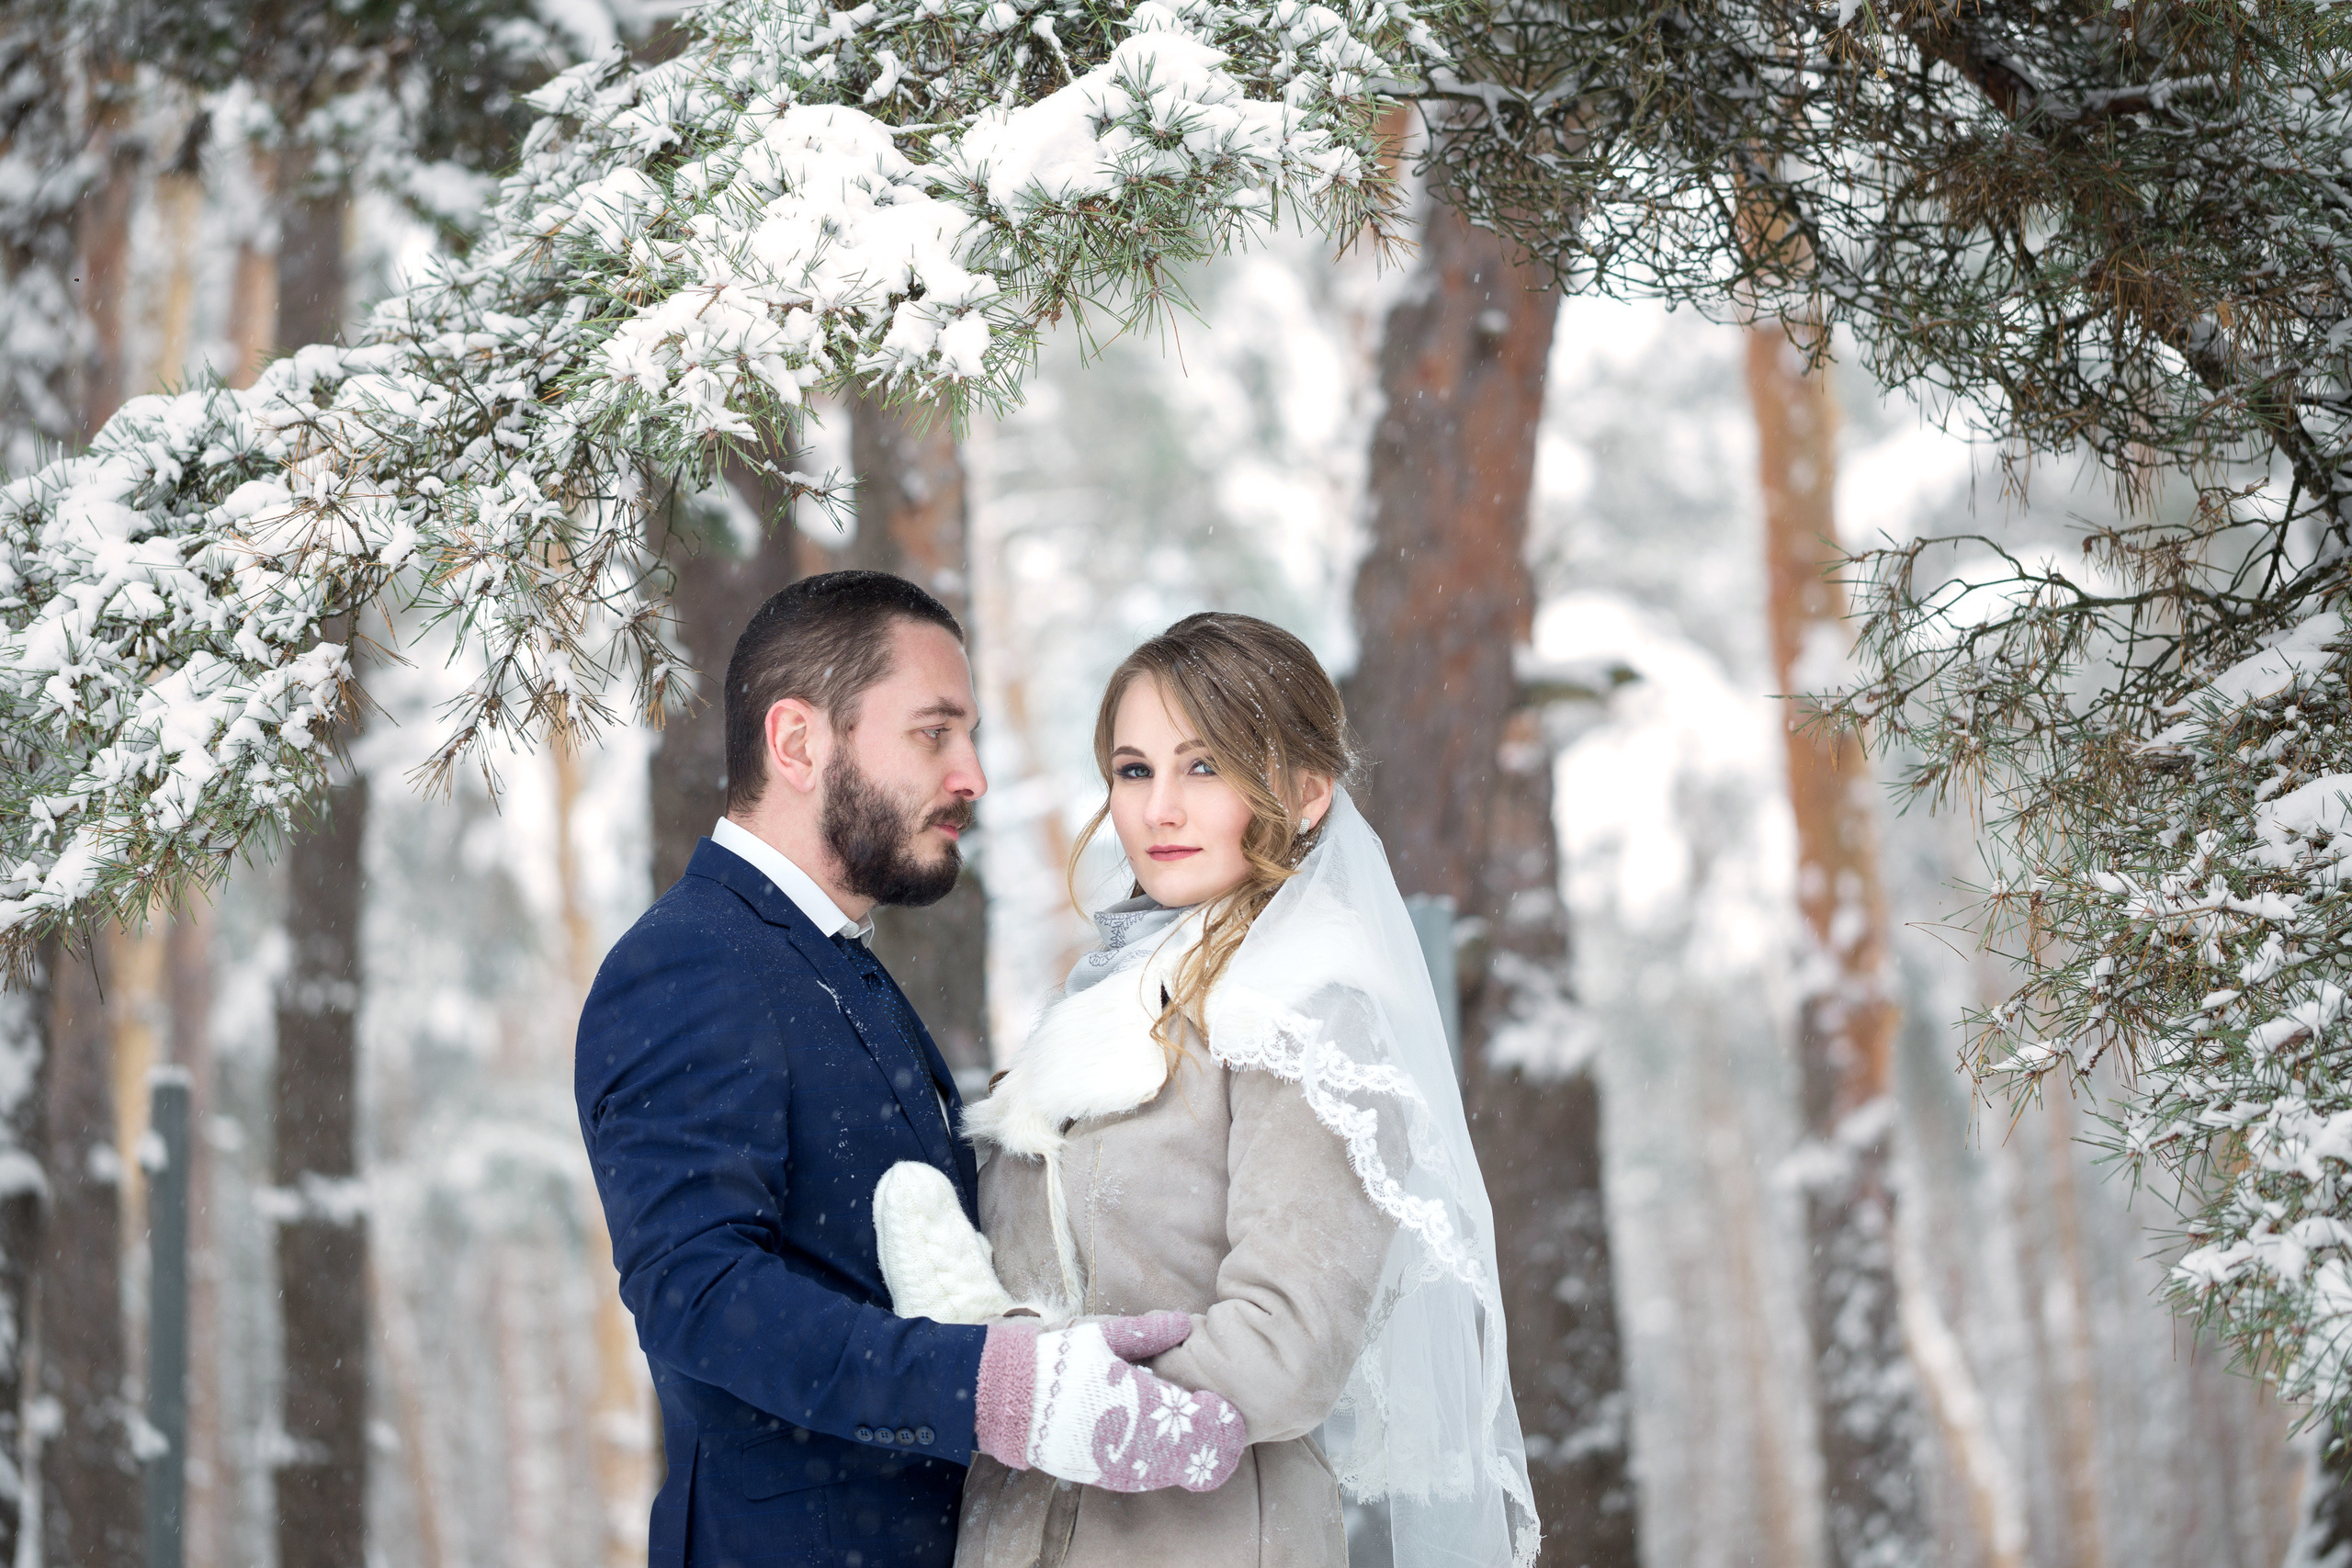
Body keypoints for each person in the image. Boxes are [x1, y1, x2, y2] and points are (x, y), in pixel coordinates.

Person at [575, 572, 1248, 1568]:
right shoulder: (695, 962)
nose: (971, 774)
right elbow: (697, 1291)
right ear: (798, 743)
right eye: (933, 733)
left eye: (968, 734)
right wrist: (996, 1388)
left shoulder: (822, 957)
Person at [875, 612, 1544, 1568]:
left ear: (1306, 792)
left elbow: (1284, 1351)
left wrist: (1037, 1386)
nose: (1158, 811)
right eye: (1134, 769)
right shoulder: (1103, 1005)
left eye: (1205, 767)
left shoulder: (1303, 1018)